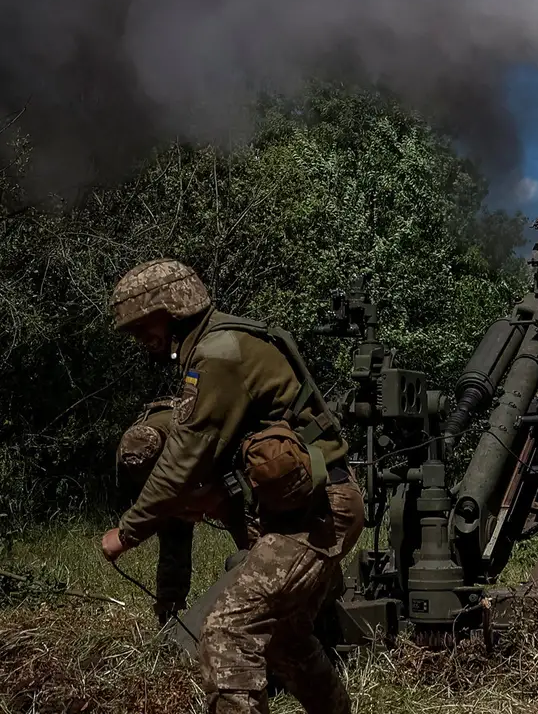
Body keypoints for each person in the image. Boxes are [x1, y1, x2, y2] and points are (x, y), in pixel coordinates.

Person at [99, 258, 365, 714]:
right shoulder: (218, 343)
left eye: (142, 325)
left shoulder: (219, 353)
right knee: (285, 639)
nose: (140, 338)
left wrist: (125, 533)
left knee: (225, 633)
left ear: (171, 308)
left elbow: (185, 454)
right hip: (312, 507)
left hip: (318, 510)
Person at [114, 396, 253, 626]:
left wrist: (210, 497)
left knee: (253, 538)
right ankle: (169, 616)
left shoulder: (194, 431)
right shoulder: (130, 452)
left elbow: (236, 466)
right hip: (180, 480)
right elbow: (147, 498)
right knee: (173, 538)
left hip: (222, 470)